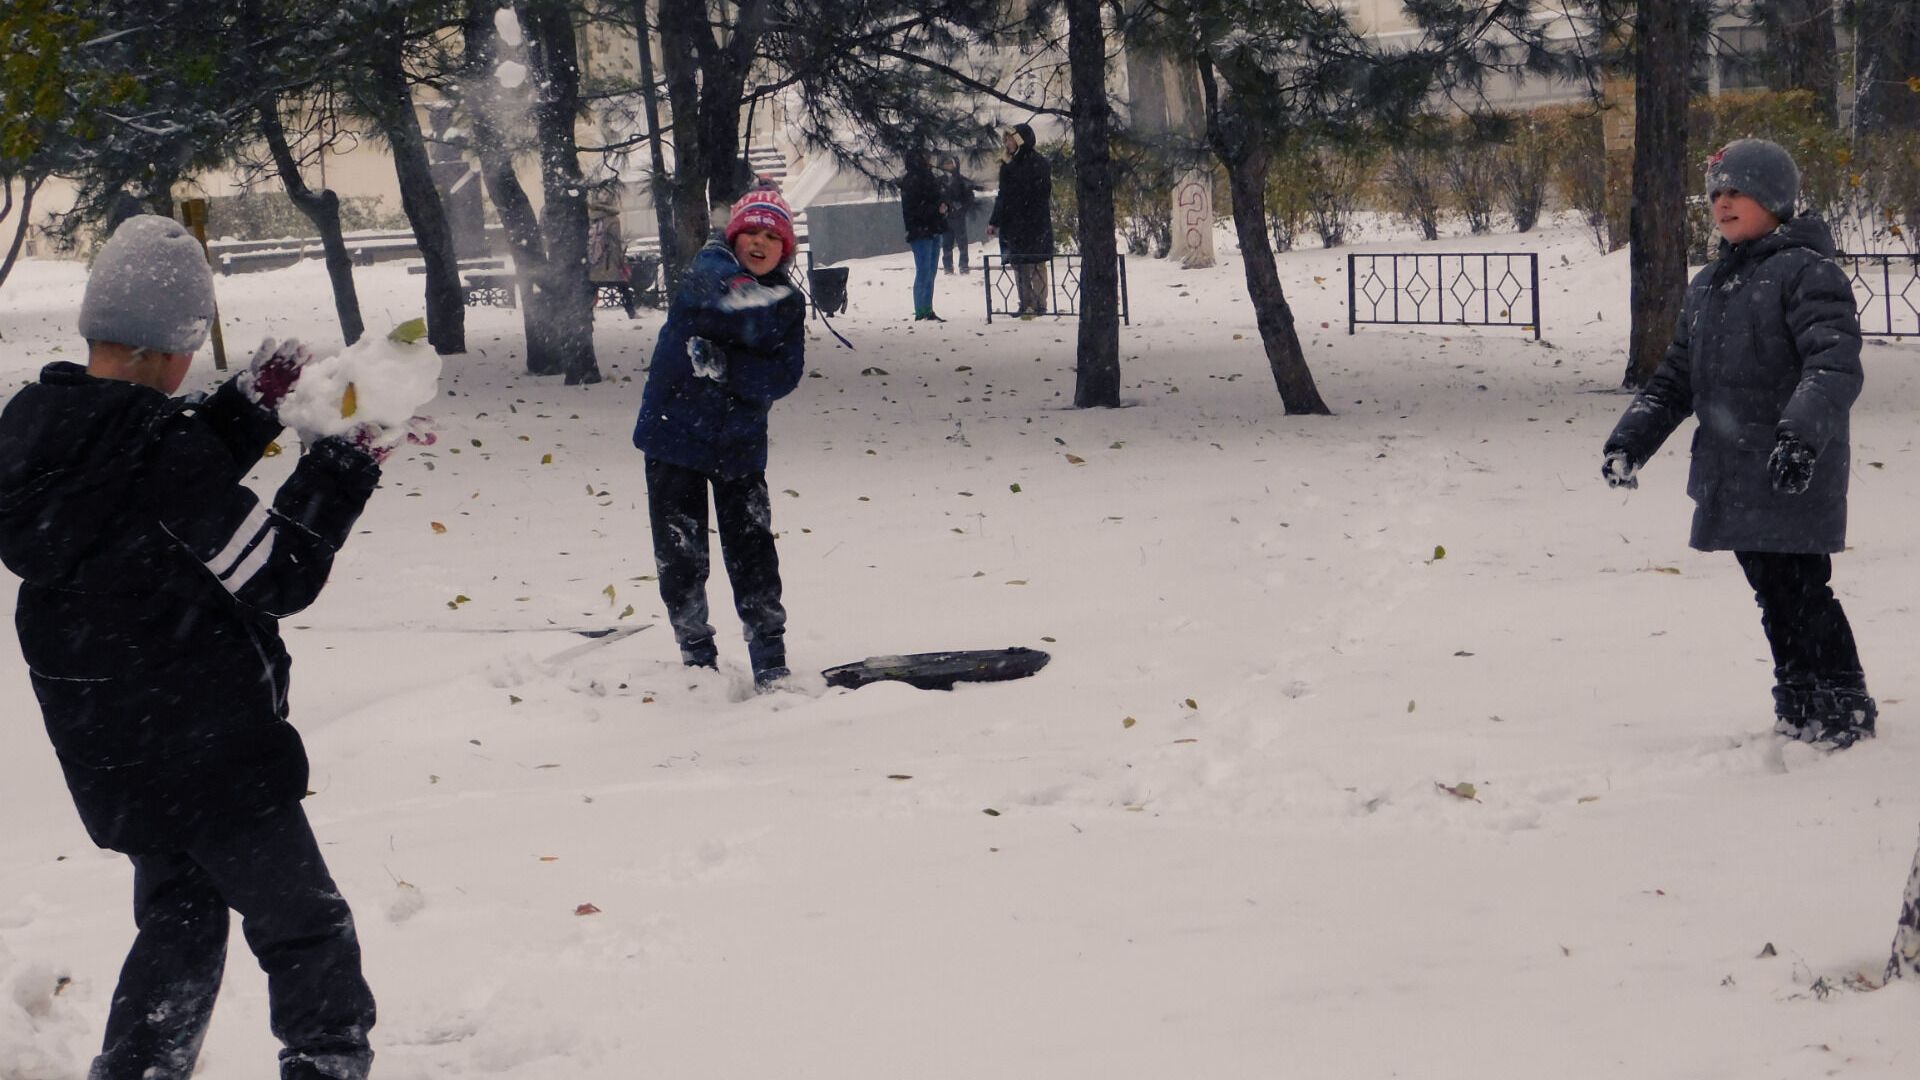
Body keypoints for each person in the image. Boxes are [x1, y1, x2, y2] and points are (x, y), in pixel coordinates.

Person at [0, 215, 389, 1079]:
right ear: (179, 349)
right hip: (208, 748)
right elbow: (279, 574)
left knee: (179, 918)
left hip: (111, 750)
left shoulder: (37, 429)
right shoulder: (161, 461)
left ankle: (138, 1067)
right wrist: (344, 465)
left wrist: (246, 407)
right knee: (306, 931)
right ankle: (326, 1062)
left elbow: (137, 477)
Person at [1602, 138, 1874, 749]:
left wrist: (1800, 436)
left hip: (1790, 466)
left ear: (1775, 199)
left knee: (1804, 588)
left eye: (1737, 192)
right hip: (1734, 467)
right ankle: (1799, 700)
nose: (1723, 203)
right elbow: (1676, 376)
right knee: (1772, 591)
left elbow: (1832, 365)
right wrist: (1633, 440)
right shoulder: (1709, 285)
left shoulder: (1809, 272)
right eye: (1716, 193)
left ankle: (1843, 702)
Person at [632, 186, 807, 689]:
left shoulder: (786, 303)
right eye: (751, 231)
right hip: (674, 439)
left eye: (772, 236)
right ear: (734, 236)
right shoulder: (707, 272)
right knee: (681, 554)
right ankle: (695, 654)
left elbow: (783, 375)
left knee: (753, 554)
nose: (759, 241)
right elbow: (711, 290)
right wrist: (745, 298)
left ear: (785, 249)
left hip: (739, 445)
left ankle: (769, 654)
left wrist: (728, 366)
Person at [985, 123, 1054, 317]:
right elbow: (1003, 196)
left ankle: (1039, 304)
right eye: (1006, 139)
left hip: (1033, 223)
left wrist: (1022, 208)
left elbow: (1041, 193)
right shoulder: (1008, 166)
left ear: (1019, 140)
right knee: (1020, 264)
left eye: (1009, 138)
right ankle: (1025, 303)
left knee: (1036, 264)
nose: (1006, 142)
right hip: (1016, 225)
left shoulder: (1038, 163)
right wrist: (994, 221)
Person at [899, 151, 947, 321]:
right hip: (921, 231)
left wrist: (942, 206)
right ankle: (921, 310)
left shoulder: (928, 178)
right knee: (924, 271)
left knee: (930, 272)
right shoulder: (912, 181)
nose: (930, 160)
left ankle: (927, 308)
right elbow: (914, 210)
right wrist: (937, 209)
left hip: (932, 228)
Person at [939, 156, 978, 275]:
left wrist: (961, 208)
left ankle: (964, 265)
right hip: (945, 218)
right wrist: (941, 207)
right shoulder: (939, 181)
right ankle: (947, 267)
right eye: (945, 163)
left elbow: (969, 198)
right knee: (946, 243)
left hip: (958, 217)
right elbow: (935, 197)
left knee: (962, 243)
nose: (948, 166)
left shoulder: (962, 181)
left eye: (950, 163)